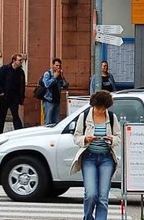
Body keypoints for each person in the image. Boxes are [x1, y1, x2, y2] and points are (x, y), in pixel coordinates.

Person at [70, 90, 121, 220]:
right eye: (99, 108)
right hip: (89, 157)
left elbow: (118, 138)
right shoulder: (85, 116)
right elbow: (76, 137)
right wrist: (86, 139)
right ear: (93, 105)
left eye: (104, 108)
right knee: (91, 194)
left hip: (106, 159)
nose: (101, 111)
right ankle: (87, 217)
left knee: (103, 196)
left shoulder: (111, 117)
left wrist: (111, 139)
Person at [0, 53, 26, 135]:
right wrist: (1, 92)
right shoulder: (5, 69)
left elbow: (22, 85)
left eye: (22, 60)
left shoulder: (20, 72)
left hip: (15, 98)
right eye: (19, 60)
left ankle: (20, 133)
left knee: (15, 115)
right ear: (14, 60)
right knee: (2, 116)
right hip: (4, 97)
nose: (21, 62)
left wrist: (21, 97)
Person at [41, 58, 70, 125]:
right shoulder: (48, 74)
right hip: (49, 100)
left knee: (56, 121)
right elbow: (47, 84)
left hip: (57, 100)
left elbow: (66, 86)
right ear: (53, 65)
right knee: (48, 120)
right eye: (56, 65)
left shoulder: (59, 75)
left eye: (59, 66)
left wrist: (63, 77)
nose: (58, 67)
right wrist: (54, 77)